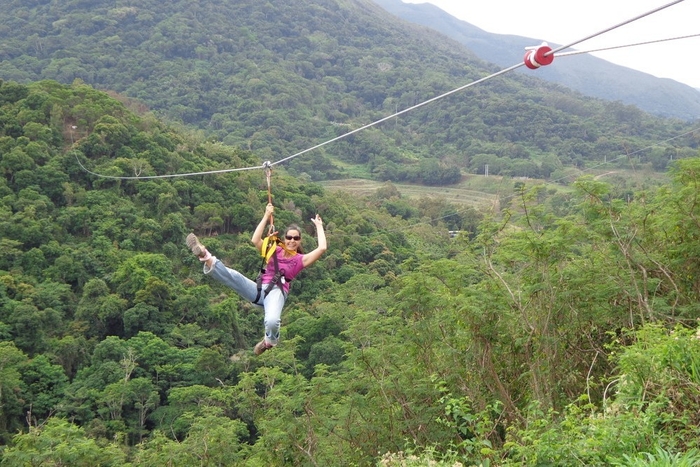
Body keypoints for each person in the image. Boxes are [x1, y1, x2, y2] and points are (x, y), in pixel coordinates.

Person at [186, 203, 327, 355]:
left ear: (300, 241)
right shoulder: (275, 249)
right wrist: (266, 215)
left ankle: (269, 341)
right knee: (234, 277)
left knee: (272, 321)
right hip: (259, 290)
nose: (292, 240)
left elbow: (322, 248)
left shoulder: (300, 260)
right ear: (284, 239)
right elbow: (255, 240)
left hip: (276, 293)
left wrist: (319, 226)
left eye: (296, 238)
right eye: (289, 237)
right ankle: (204, 254)